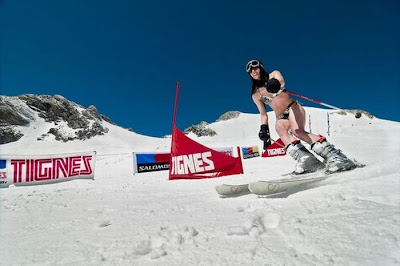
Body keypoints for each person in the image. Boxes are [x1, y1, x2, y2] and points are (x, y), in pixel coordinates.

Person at [246, 59, 355, 174]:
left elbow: (281, 81)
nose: (254, 71)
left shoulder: (273, 74)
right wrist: (264, 129)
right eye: (250, 71)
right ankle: (308, 161)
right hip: (281, 116)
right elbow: (263, 114)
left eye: (255, 68)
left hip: (293, 107)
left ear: (261, 67)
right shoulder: (255, 94)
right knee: (279, 128)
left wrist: (275, 83)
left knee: (298, 131)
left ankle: (338, 158)